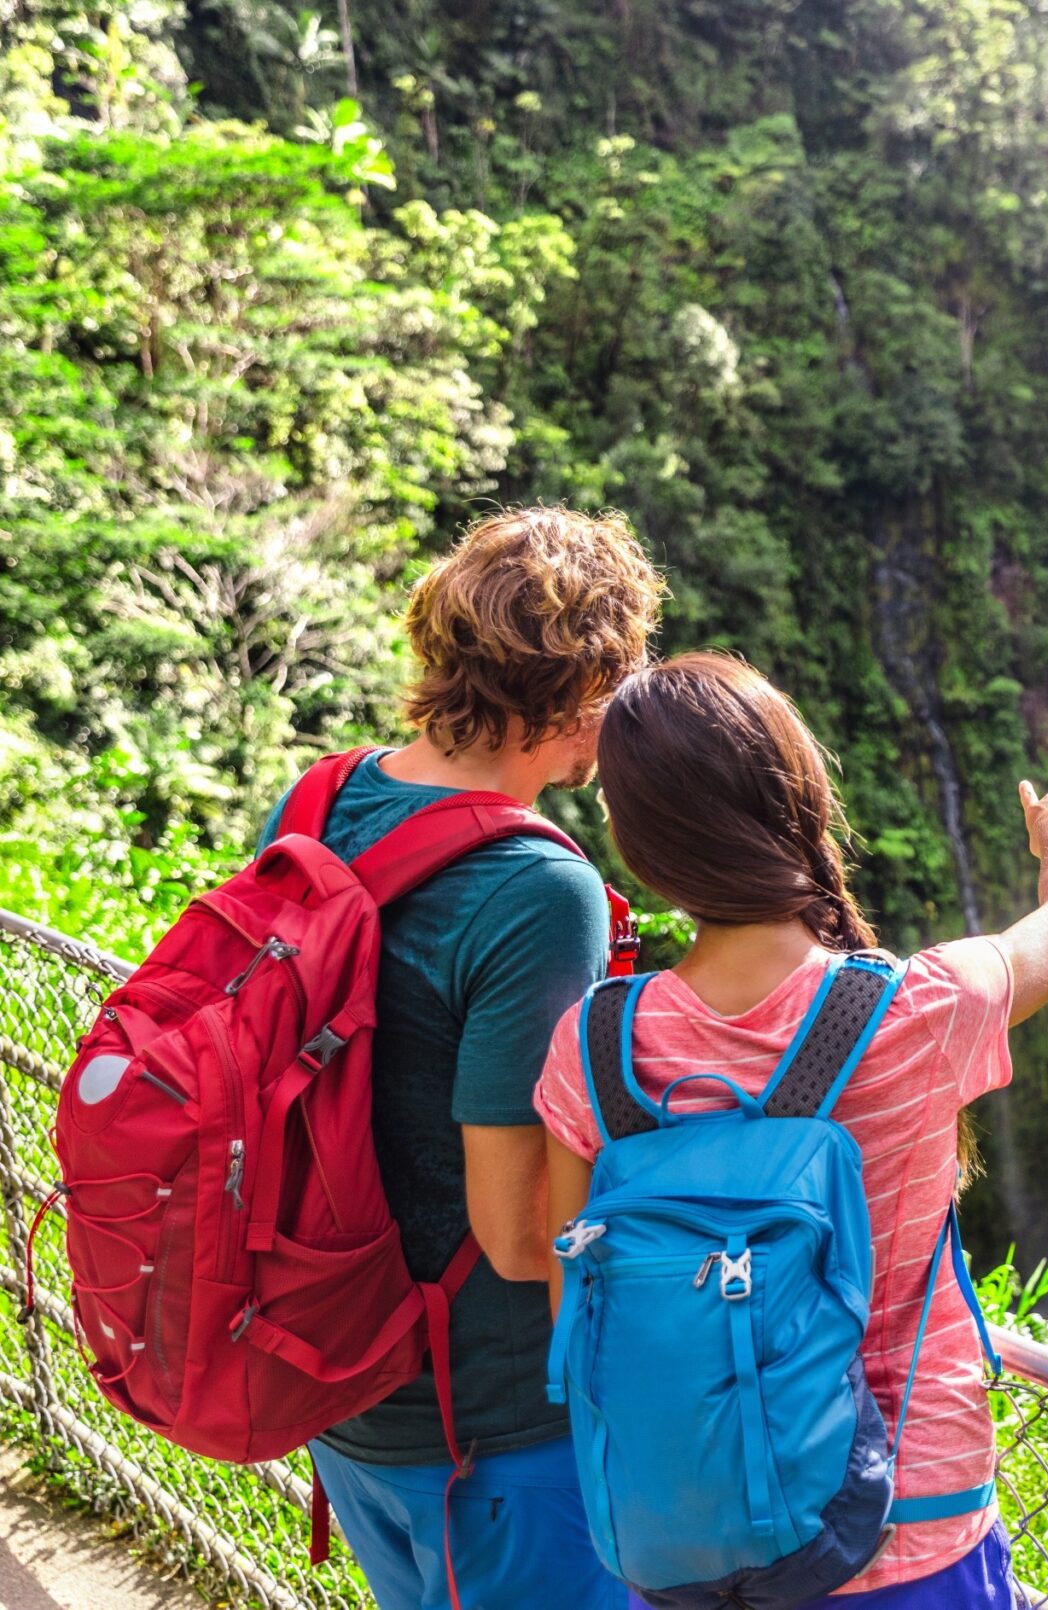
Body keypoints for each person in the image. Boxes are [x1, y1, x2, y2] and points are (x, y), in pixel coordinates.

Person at [532, 651, 1048, 1607]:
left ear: (639, 845)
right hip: (911, 1531)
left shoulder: (593, 1050)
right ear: (796, 797)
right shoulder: (915, 1010)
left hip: (685, 1542)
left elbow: (573, 1303)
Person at [259, 506, 664, 1610]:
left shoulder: (318, 796)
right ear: (586, 695)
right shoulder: (540, 890)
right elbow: (519, 1230)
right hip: (489, 1426)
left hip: (340, 1380)